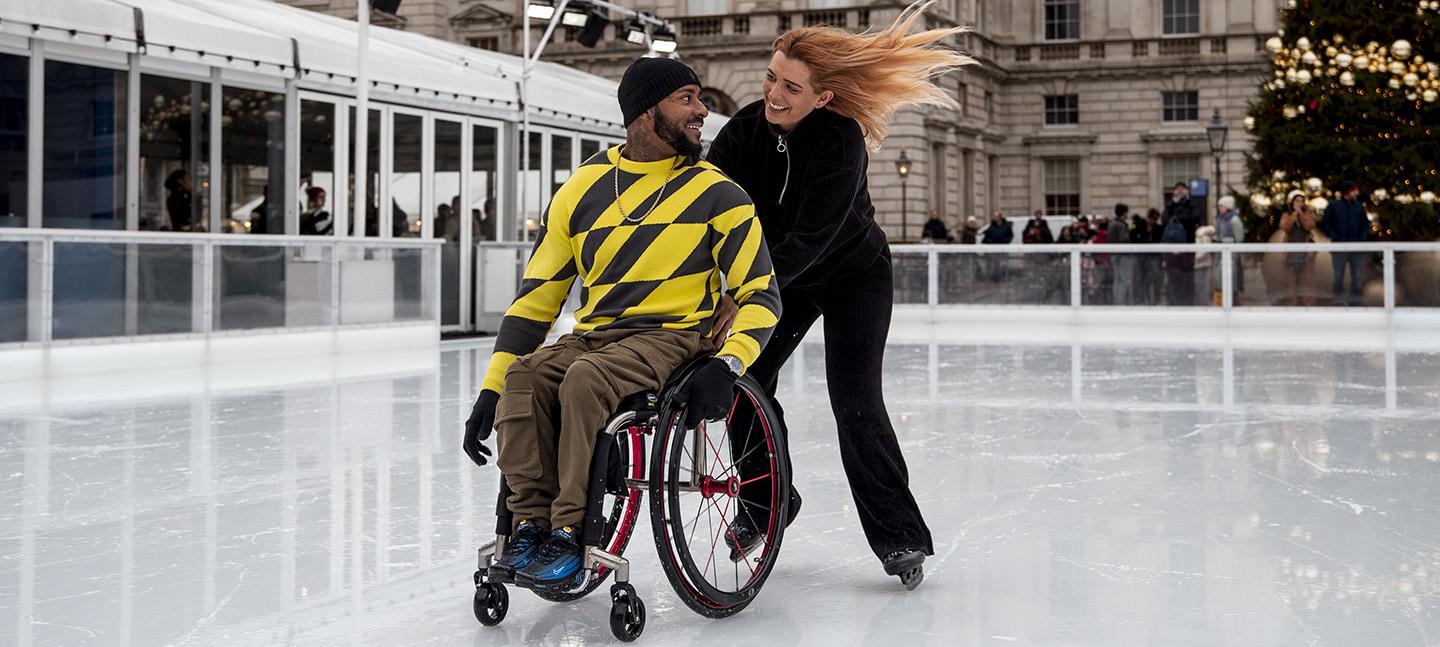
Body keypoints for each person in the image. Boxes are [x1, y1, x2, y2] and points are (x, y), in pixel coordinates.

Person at [461, 57, 782, 590]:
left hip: (673, 337)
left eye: (700, 98)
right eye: (686, 99)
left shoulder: (719, 193)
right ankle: (530, 525)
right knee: (524, 379)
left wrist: (728, 364)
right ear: (644, 112)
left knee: (587, 379)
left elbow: (760, 295)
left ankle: (570, 529)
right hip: (597, 336)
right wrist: (490, 389)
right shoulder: (582, 189)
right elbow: (536, 300)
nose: (703, 110)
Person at [704, 1, 965, 589]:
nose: (775, 94)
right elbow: (705, 207)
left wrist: (742, 295)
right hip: (780, 275)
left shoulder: (841, 139)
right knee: (742, 378)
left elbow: (813, 235)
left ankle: (899, 536)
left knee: (855, 400)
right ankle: (765, 504)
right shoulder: (744, 131)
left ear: (822, 97)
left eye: (791, 87)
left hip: (852, 273)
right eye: (772, 77)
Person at [1321, 180, 1369, 306]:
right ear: (1348, 192)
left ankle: (1356, 300)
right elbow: (1325, 223)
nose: (1357, 193)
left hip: (1356, 247)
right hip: (1339, 247)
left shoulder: (1359, 206)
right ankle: (1338, 300)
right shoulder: (1334, 205)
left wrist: (1361, 238)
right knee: (1338, 275)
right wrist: (1335, 236)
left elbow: (1365, 224)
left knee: (1358, 276)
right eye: (1354, 190)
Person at [1161, 182, 1200, 304]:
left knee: (1188, 275)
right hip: (1172, 246)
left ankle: (1188, 300)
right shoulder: (1170, 205)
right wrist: (1173, 205)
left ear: (1187, 191)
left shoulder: (1192, 204)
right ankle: (1173, 300)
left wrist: (1178, 217)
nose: (1180, 191)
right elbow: (1164, 219)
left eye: (1182, 189)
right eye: (1177, 189)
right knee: (1172, 275)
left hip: (1187, 243)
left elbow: (1195, 217)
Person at [1280, 191, 1318, 306]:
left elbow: (1309, 226)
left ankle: (1307, 304)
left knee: (1307, 281)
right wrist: (1293, 216)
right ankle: (1292, 304)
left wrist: (1301, 213)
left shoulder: (1307, 213)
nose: (1299, 203)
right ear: (1292, 202)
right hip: (1291, 252)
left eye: (1301, 201)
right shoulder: (1287, 214)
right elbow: (1285, 227)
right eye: (1297, 201)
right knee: (1291, 282)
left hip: (1305, 252)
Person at [1214, 195, 1245, 295]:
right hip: (1221, 251)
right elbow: (1219, 234)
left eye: (1221, 206)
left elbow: (1239, 238)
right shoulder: (1220, 220)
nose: (1219, 209)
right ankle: (1222, 292)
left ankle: (1233, 294)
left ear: (1227, 207)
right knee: (1220, 273)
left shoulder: (1234, 220)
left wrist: (1226, 241)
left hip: (1232, 253)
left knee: (1232, 273)